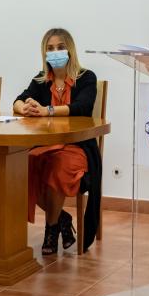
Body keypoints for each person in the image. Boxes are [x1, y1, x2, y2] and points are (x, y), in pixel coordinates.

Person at [13, 28, 102, 255]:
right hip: (44, 145)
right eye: (50, 48)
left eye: (60, 47)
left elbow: (82, 107)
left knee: (57, 168)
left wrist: (47, 111)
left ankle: (50, 231)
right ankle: (62, 218)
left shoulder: (86, 77)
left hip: (77, 147)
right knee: (22, 167)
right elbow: (18, 100)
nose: (55, 52)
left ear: (70, 49)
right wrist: (24, 108)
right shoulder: (41, 79)